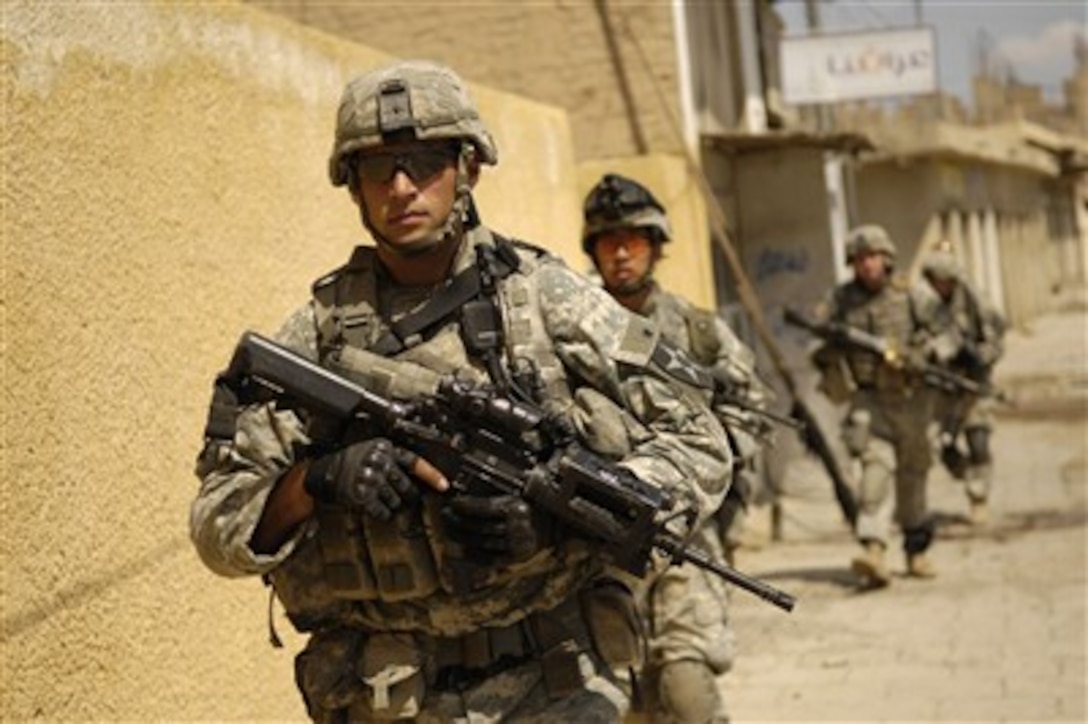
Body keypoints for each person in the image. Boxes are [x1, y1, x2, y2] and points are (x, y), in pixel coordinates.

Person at [189, 60, 733, 723]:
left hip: (556, 679)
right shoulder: (314, 340)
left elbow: (701, 439)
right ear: (352, 187)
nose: (401, 187)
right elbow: (218, 526)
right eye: (377, 169)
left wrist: (559, 524)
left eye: (424, 162)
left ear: (468, 167)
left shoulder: (548, 301)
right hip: (387, 695)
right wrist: (317, 480)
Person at [581, 173, 772, 724]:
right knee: (621, 699)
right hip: (599, 546)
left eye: (633, 240)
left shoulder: (698, 330)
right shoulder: (572, 326)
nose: (619, 253)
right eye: (607, 242)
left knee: (686, 686)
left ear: (656, 246)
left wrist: (714, 459)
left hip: (685, 534)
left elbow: (749, 409)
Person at [810, 224, 936, 589]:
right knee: (874, 472)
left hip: (912, 399)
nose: (867, 265)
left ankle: (916, 551)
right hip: (868, 398)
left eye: (873, 257)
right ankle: (875, 550)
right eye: (861, 259)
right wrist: (832, 347)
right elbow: (817, 343)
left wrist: (918, 354)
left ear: (887, 258)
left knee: (913, 476)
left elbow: (944, 334)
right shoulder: (840, 300)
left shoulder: (912, 293)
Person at [916, 249, 1006, 525]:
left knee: (978, 439)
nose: (940, 286)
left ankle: (978, 497)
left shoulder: (974, 301)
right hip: (940, 384)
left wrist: (979, 357)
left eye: (945, 280)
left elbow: (995, 336)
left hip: (973, 382)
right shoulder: (921, 302)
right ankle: (966, 474)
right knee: (942, 446)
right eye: (935, 280)